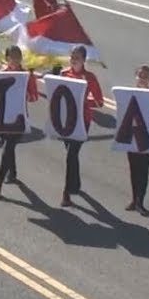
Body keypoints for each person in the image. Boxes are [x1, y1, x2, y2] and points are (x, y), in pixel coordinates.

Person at [55, 45, 103, 207]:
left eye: (77, 57)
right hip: (66, 120)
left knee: (71, 154)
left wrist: (83, 101)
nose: (74, 60)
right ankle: (75, 184)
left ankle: (66, 193)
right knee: (71, 154)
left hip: (82, 121)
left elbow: (99, 102)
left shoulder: (90, 77)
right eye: (72, 56)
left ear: (84, 60)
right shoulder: (64, 74)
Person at [0, 46, 40, 201]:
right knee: (7, 145)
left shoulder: (26, 76)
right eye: (13, 57)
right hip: (3, 117)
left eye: (18, 57)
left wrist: (23, 93)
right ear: (7, 58)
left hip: (19, 118)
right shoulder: (1, 74)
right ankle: (12, 173)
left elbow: (34, 97)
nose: (16, 60)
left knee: (7, 147)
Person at [125, 65, 149, 216]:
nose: (142, 78)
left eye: (145, 76)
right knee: (134, 170)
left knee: (143, 171)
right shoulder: (129, 94)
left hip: (146, 138)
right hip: (132, 137)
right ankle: (134, 199)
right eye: (140, 75)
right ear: (136, 77)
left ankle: (141, 201)